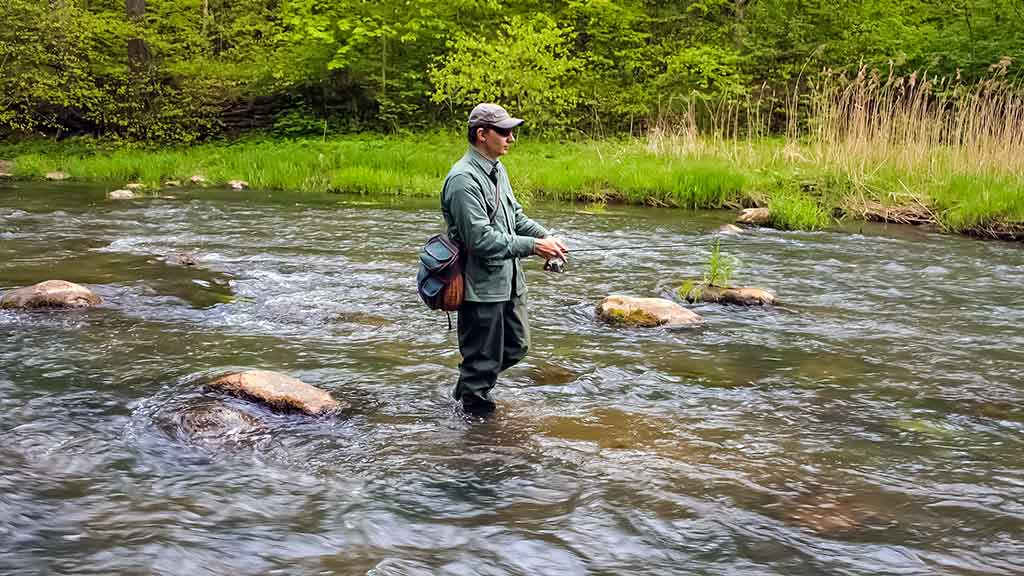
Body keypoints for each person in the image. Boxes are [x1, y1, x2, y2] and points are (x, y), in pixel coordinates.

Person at [440, 103, 567, 415]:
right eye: (504, 131)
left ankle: (467, 391)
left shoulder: (497, 170)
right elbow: (480, 240)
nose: (511, 138)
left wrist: (546, 237)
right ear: (482, 134)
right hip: (480, 289)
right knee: (482, 361)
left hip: (509, 282)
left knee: (517, 346)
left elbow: (516, 217)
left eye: (512, 131)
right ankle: (477, 426)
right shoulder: (463, 180)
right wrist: (534, 247)